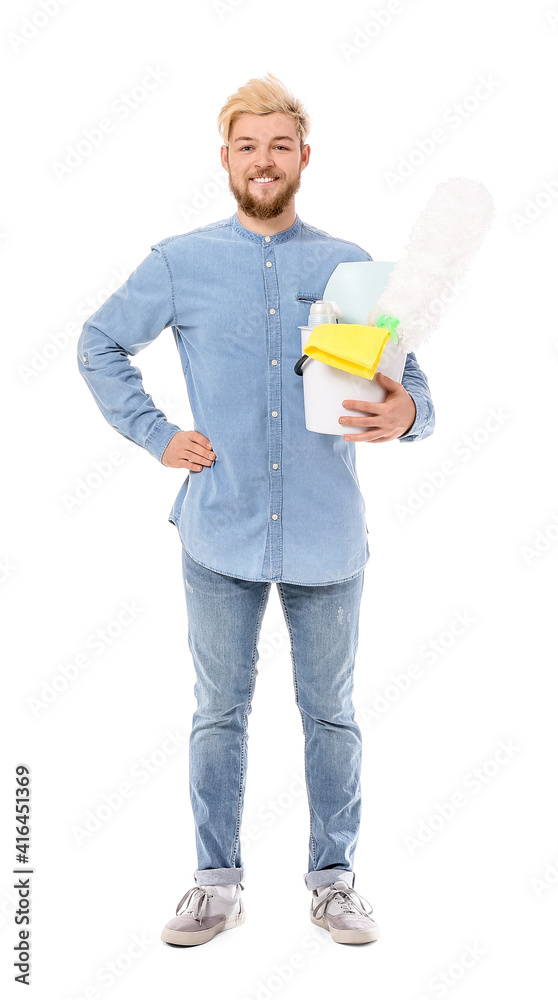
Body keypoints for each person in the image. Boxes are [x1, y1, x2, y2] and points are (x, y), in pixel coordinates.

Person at [77, 72, 435, 948]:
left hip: (326, 537)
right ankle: (215, 883)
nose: (264, 160)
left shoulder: (347, 271)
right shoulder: (181, 263)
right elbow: (97, 342)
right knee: (217, 711)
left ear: (304, 156)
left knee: (333, 714)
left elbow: (408, 381)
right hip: (219, 531)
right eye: (248, 145)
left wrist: (408, 413)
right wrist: (157, 434)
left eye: (280, 144)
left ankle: (334, 880)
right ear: (226, 159)